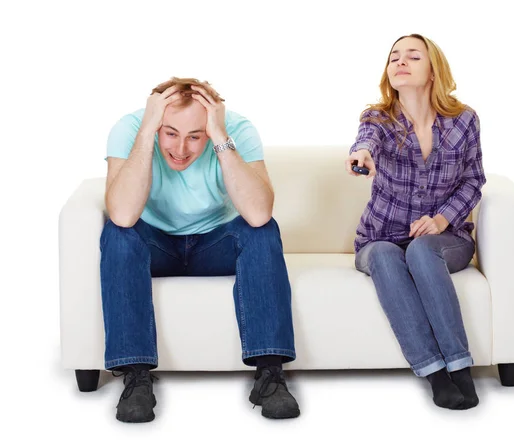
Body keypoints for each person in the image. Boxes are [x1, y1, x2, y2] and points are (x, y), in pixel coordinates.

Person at [100, 77, 300, 422]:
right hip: (154, 244)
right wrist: (148, 132)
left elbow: (257, 213)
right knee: (118, 234)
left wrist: (220, 137)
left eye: (195, 136)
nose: (181, 149)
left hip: (214, 243)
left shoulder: (236, 129)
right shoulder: (131, 128)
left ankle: (269, 373)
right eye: (171, 133)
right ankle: (135, 376)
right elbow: (122, 213)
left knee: (262, 231)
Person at [345, 34, 486, 410]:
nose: (400, 62)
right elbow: (366, 140)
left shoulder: (464, 121)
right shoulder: (378, 119)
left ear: (432, 70)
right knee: (387, 257)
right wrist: (362, 155)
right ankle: (434, 374)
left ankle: (460, 368)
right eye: (394, 57)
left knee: (423, 250)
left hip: (446, 237)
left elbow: (474, 180)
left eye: (412, 56)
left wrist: (441, 220)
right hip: (381, 238)